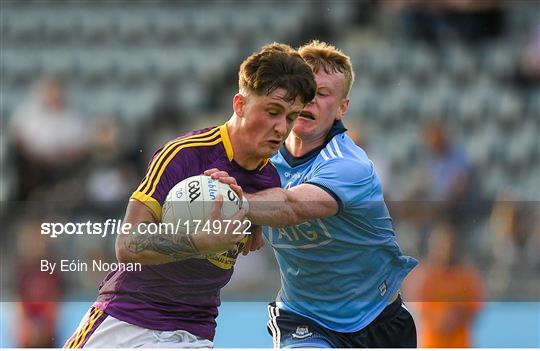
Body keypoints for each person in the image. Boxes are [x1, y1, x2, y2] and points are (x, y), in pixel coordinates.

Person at [64, 43, 316, 348]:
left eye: (291, 118)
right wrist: (199, 241)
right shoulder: (185, 155)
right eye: (272, 112)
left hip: (192, 332)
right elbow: (127, 243)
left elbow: (265, 224)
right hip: (127, 321)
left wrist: (251, 221)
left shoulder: (268, 178)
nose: (281, 128)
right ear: (240, 105)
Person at [207, 40, 418, 347]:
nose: (310, 102)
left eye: (323, 94)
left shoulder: (350, 165)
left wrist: (237, 204)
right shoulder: (259, 159)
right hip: (303, 318)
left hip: (377, 321)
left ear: (342, 108)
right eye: (305, 92)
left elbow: (292, 207)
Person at [403, 222, 485, 347]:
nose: (447, 249)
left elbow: (476, 305)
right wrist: (439, 319)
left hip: (459, 343)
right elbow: (416, 307)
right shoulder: (424, 276)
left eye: (451, 245)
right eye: (443, 245)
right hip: (432, 343)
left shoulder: (467, 276)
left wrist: (458, 317)